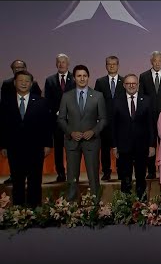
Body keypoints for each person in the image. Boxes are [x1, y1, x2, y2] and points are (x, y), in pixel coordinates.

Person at [0, 70, 53, 208]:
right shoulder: (6, 102)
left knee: (35, 180)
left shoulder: (41, 102)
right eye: (20, 80)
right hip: (14, 148)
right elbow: (2, 125)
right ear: (14, 82)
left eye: (27, 81)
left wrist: (48, 144)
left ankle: (34, 210)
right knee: (17, 180)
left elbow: (47, 124)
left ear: (31, 84)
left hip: (35, 148)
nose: (24, 83)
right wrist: (3, 146)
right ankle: (19, 211)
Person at [58, 64, 107, 201]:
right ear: (74, 78)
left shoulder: (98, 96)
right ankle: (72, 207)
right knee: (72, 177)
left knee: (93, 176)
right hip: (72, 142)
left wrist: (93, 131)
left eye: (85, 76)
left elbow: (103, 119)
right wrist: (70, 132)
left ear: (88, 77)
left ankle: (95, 206)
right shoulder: (66, 97)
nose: (82, 78)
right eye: (79, 76)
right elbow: (61, 119)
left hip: (91, 142)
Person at [112, 74, 155, 200]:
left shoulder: (146, 100)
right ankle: (125, 205)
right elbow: (113, 125)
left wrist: (152, 145)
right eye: (128, 83)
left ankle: (142, 206)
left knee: (141, 177)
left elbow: (151, 125)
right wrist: (114, 146)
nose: (131, 85)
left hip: (142, 146)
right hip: (123, 146)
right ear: (124, 85)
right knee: (125, 178)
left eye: (134, 83)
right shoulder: (117, 101)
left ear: (138, 85)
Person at [1, 60, 42, 185]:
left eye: (21, 67)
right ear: (12, 70)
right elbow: (3, 112)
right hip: (14, 132)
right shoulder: (7, 84)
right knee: (15, 164)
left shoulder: (33, 84)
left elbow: (40, 105)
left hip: (31, 131)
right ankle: (14, 176)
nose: (18, 69)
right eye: (16, 67)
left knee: (33, 171)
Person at [138, 51, 161, 180]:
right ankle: (151, 171)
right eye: (155, 61)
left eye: (160, 61)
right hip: (149, 117)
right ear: (151, 62)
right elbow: (141, 97)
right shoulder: (143, 76)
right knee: (150, 144)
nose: (157, 63)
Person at [44, 53, 76, 182]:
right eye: (59, 62)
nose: (61, 64)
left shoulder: (75, 79)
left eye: (63, 62)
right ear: (56, 64)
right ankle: (61, 173)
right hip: (56, 120)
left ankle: (72, 173)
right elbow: (48, 100)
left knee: (72, 148)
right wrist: (57, 112)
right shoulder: (49, 80)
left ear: (68, 64)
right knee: (58, 148)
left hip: (72, 120)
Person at [94, 55, 125, 181]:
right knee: (105, 148)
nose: (111, 66)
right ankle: (106, 172)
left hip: (120, 121)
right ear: (106, 66)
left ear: (118, 65)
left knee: (121, 147)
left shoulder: (124, 81)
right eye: (109, 64)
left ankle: (121, 170)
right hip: (105, 120)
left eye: (114, 64)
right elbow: (96, 100)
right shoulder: (100, 82)